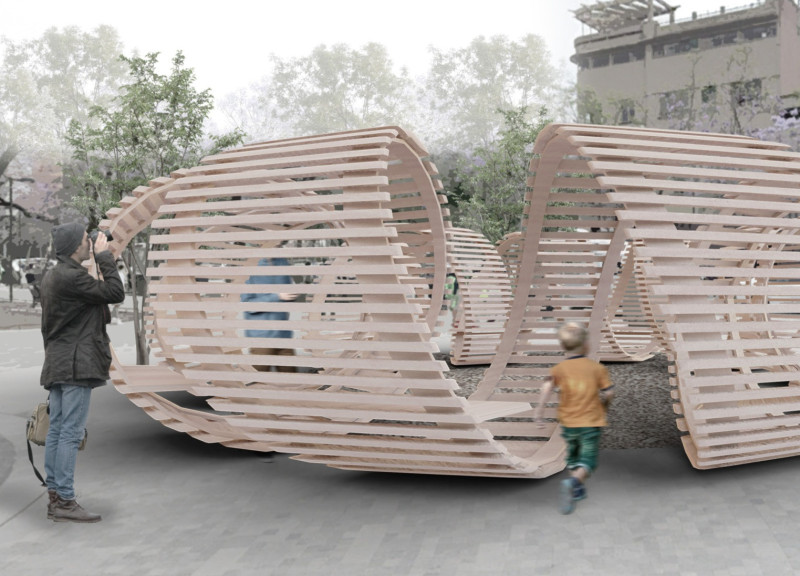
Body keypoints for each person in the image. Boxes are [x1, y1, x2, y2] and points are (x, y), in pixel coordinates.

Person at [39, 222, 125, 523]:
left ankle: (56, 496)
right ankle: (64, 499)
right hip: (75, 364)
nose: (90, 243)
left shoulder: (54, 276)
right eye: (86, 240)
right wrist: (104, 257)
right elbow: (115, 292)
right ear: (76, 246)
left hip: (60, 362)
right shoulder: (72, 277)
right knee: (70, 432)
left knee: (58, 430)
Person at [533, 322, 614, 515]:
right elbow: (609, 393)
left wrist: (539, 412)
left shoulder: (559, 369)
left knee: (574, 457)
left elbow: (546, 388)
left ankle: (576, 489)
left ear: (563, 346)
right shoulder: (596, 368)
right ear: (586, 345)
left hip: (569, 423)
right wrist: (605, 406)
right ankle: (573, 482)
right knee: (588, 460)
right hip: (591, 422)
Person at [241, 256, 297, 374]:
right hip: (262, 337)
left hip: (283, 335)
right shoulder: (250, 267)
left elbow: (286, 295)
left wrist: (292, 295)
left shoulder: (282, 262)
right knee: (259, 380)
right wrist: (277, 296)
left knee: (291, 380)